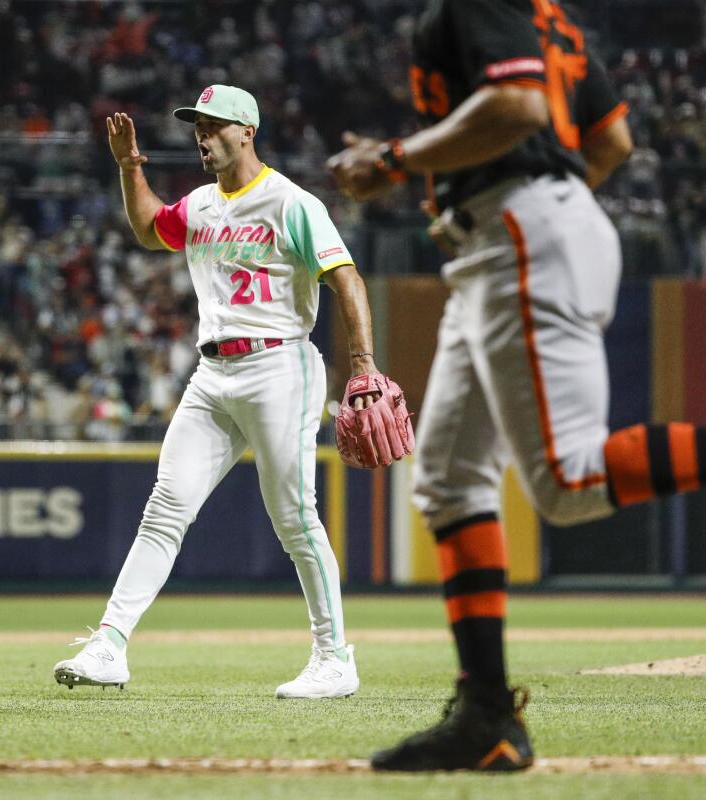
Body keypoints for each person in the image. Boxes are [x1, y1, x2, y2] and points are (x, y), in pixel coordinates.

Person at [329, 0, 702, 772]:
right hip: (522, 231)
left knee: (569, 481)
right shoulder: (549, 15)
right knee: (448, 480)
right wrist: (542, 207)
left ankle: (488, 714)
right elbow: (612, 138)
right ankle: (487, 717)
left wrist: (396, 161)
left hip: (522, 234)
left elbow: (517, 104)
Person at [54, 85, 409, 699]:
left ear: (247, 130)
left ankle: (334, 659)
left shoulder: (290, 203)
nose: (202, 135)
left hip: (281, 368)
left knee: (294, 518)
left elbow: (345, 278)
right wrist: (129, 167)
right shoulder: (199, 205)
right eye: (197, 126)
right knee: (165, 506)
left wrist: (363, 366)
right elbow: (148, 228)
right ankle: (109, 645)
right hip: (213, 374)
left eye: (214, 125)